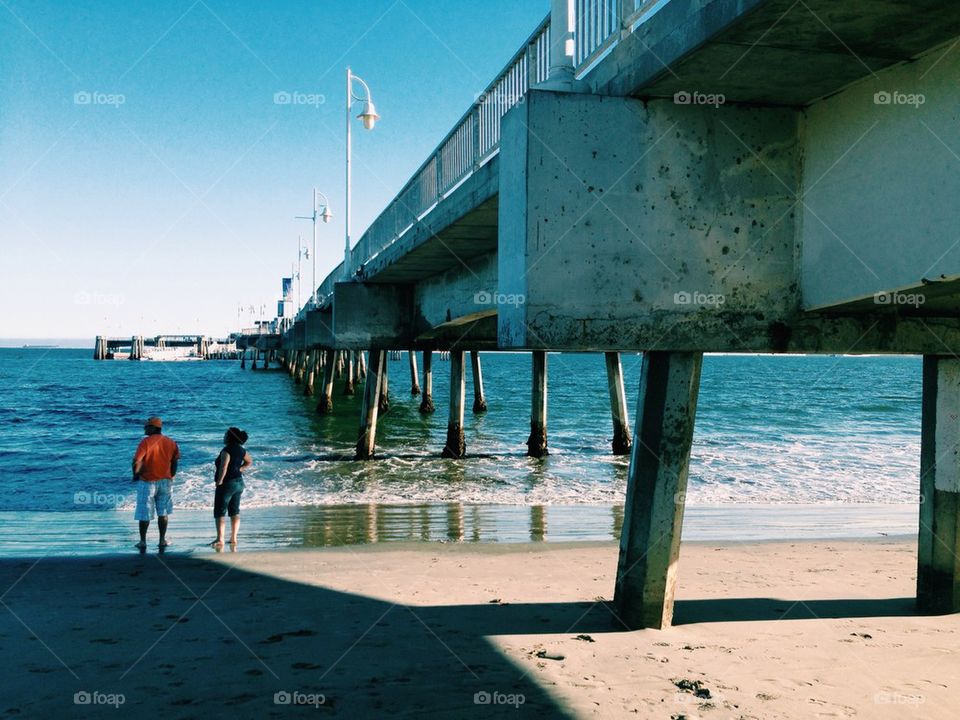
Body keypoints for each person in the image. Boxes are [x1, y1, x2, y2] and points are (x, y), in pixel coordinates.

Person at [132, 416, 180, 549]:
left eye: (146, 426)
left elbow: (137, 461)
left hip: (148, 482)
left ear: (153, 427)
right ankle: (162, 540)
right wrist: (172, 475)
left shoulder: (146, 442)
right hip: (166, 481)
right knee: (163, 512)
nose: (144, 428)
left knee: (144, 512)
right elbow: (175, 461)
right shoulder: (171, 442)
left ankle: (143, 541)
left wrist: (135, 475)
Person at [212, 427, 252, 547]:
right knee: (234, 510)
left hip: (227, 483)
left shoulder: (226, 450)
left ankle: (220, 539)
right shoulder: (241, 450)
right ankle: (234, 538)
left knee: (220, 511)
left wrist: (219, 481)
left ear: (230, 437)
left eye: (225, 435)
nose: (223, 437)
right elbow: (249, 461)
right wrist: (240, 469)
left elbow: (223, 467)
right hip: (239, 482)